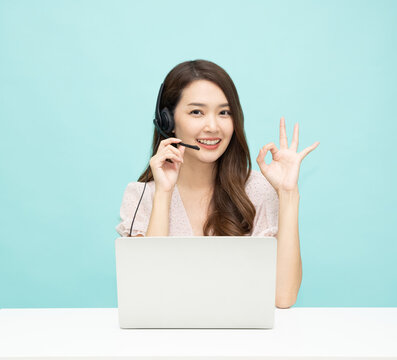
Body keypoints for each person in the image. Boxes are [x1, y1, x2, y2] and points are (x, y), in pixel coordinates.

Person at [115, 59, 320, 308]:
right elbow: (147, 297)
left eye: (224, 112)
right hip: (167, 343)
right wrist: (163, 194)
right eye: (196, 112)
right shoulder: (139, 196)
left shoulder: (257, 190)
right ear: (167, 121)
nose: (213, 127)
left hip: (241, 343)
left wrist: (288, 193)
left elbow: (283, 297)